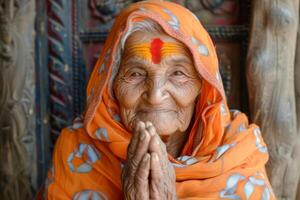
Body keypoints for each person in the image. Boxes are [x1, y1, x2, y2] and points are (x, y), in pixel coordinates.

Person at [44, 1, 275, 199]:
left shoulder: (237, 156)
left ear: (204, 87)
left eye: (178, 74)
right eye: (135, 74)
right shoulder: (79, 152)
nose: (155, 96)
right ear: (110, 84)